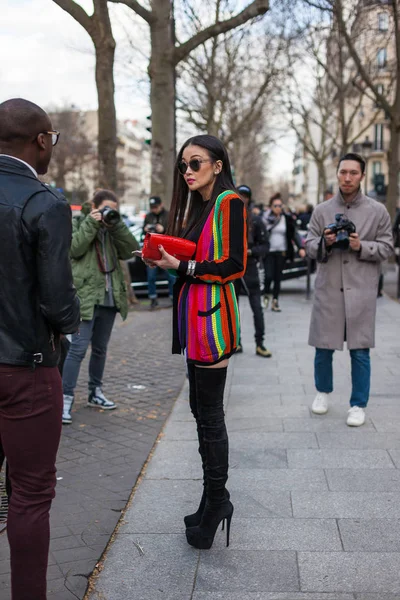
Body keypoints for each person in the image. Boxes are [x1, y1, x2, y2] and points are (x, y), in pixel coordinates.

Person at [143, 134, 247, 550]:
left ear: (217, 166)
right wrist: (163, 259)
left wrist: (181, 265)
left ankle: (218, 502)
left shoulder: (229, 202)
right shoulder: (203, 206)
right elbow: (193, 260)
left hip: (213, 323)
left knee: (210, 415)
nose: (187, 170)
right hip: (197, 322)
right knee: (200, 411)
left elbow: (234, 264)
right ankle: (210, 500)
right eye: (184, 164)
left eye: (196, 163)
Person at [0, 98, 80, 599]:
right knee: (30, 494)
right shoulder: (43, 202)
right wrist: (69, 323)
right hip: (25, 369)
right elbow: (58, 303)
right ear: (42, 140)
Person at [306, 153, 393, 427]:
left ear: (362, 176)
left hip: (361, 291)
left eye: (353, 173)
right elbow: (308, 245)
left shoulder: (378, 211)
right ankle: (322, 392)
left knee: (360, 350)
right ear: (337, 173)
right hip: (329, 288)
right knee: (323, 347)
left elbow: (387, 248)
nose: (347, 177)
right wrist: (326, 241)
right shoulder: (321, 210)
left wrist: (360, 246)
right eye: (343, 172)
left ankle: (358, 404)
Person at [62, 189, 139, 424]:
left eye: (113, 209)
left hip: (109, 298)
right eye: (106, 208)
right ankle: (64, 400)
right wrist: (91, 223)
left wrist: (117, 226)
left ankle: (95, 392)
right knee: (78, 349)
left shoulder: (113, 227)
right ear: (93, 206)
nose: (109, 213)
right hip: (86, 297)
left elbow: (130, 251)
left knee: (100, 349)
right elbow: (74, 249)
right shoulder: (78, 221)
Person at [234, 185, 272, 357]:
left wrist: (251, 252)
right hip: (232, 267)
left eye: (245, 195)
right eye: (239, 195)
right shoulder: (228, 218)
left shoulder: (256, 220)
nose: (242, 198)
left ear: (249, 198)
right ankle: (236, 342)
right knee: (232, 308)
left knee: (256, 308)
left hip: (250, 268)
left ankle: (260, 343)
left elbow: (265, 246)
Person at [262, 193, 306, 311]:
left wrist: (301, 247)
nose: (278, 208)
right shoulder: (264, 219)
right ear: (271, 206)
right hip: (269, 252)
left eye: (280, 206)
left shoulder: (286, 219)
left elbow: (294, 234)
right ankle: (266, 294)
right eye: (275, 206)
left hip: (282, 252)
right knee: (268, 276)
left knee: (277, 277)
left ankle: (275, 302)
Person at [142, 196, 175, 308]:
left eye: (156, 207)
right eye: (152, 207)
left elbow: (174, 232)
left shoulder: (169, 215)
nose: (154, 209)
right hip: (152, 250)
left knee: (171, 276)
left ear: (161, 205)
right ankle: (153, 299)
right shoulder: (148, 216)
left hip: (167, 250)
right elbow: (143, 234)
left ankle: (173, 297)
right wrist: (145, 229)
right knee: (151, 276)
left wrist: (163, 229)